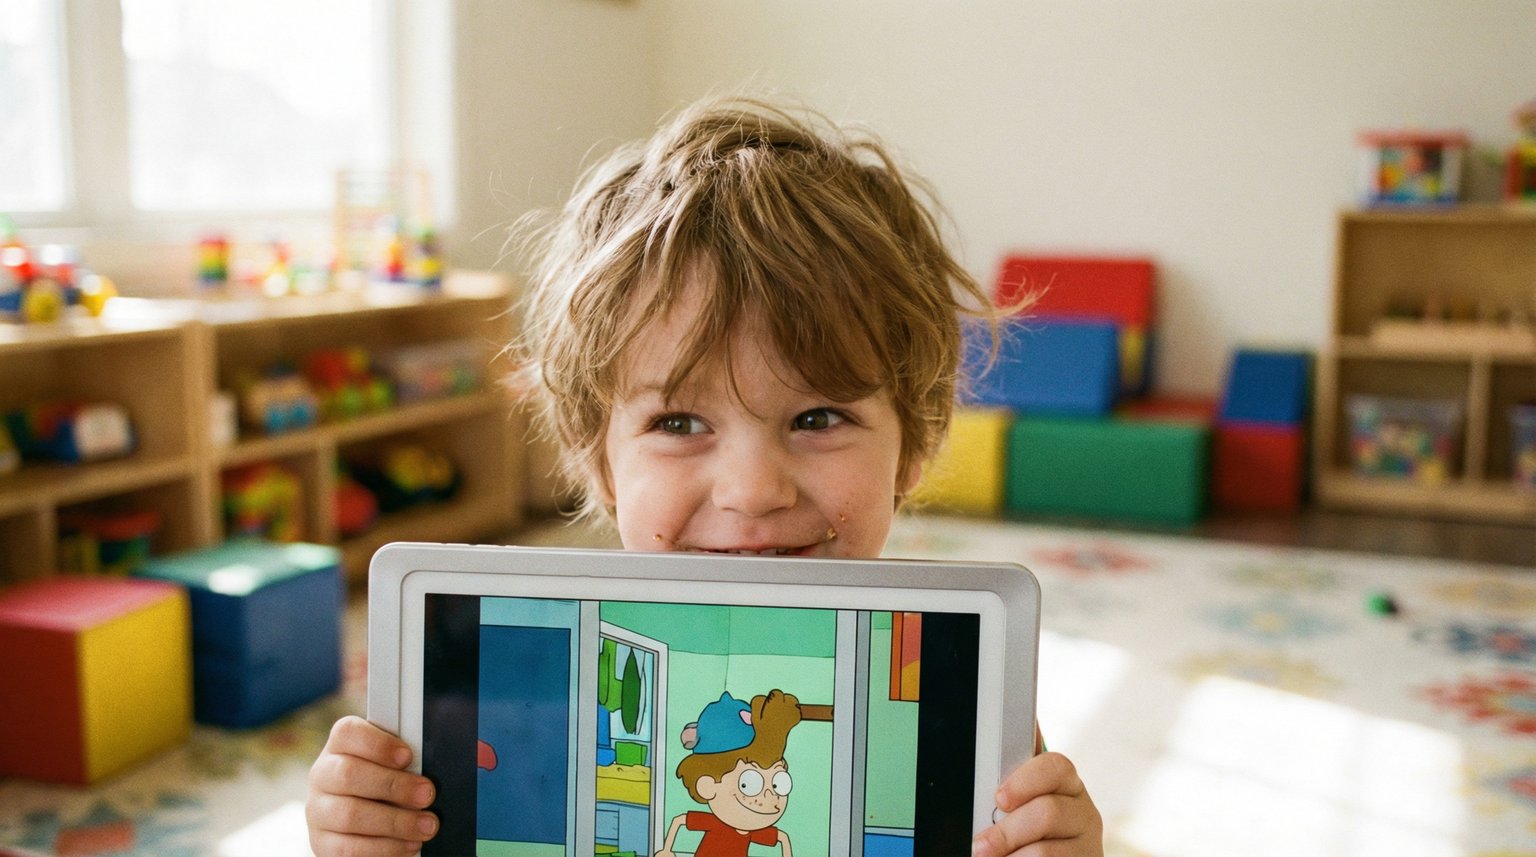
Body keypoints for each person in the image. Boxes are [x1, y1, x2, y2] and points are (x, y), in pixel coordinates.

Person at [306, 94, 1103, 857]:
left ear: (916, 444)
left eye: (818, 418)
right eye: (679, 423)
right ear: (597, 458)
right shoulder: (527, 698)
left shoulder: (960, 692)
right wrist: (367, 826)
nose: (752, 491)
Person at [657, 689, 802, 857]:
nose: (770, 795)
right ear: (707, 786)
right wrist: (666, 851)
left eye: (779, 784)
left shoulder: (750, 830)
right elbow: (679, 821)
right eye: (748, 784)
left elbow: (781, 838)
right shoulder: (715, 823)